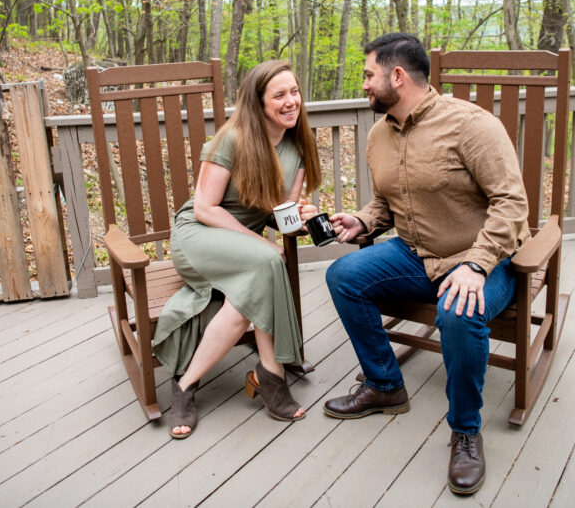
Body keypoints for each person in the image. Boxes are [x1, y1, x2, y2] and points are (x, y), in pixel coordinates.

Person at [323, 33, 530, 495]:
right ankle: (384, 384)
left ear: (398, 76)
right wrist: (362, 220)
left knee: (458, 311)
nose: (365, 85)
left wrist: (476, 265)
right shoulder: (379, 134)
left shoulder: (471, 126)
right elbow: (387, 202)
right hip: (416, 253)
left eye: (369, 75)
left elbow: (512, 205)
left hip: (485, 257)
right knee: (343, 276)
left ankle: (465, 430)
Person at [153, 60, 321, 439]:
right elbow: (203, 208)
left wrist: (301, 216)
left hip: (246, 247)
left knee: (260, 271)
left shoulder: (298, 146)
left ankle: (186, 385)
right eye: (279, 95)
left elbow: (281, 216)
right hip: (199, 234)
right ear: (258, 102)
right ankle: (272, 375)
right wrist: (258, 240)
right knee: (267, 260)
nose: (291, 101)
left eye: (294, 92)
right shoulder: (232, 139)